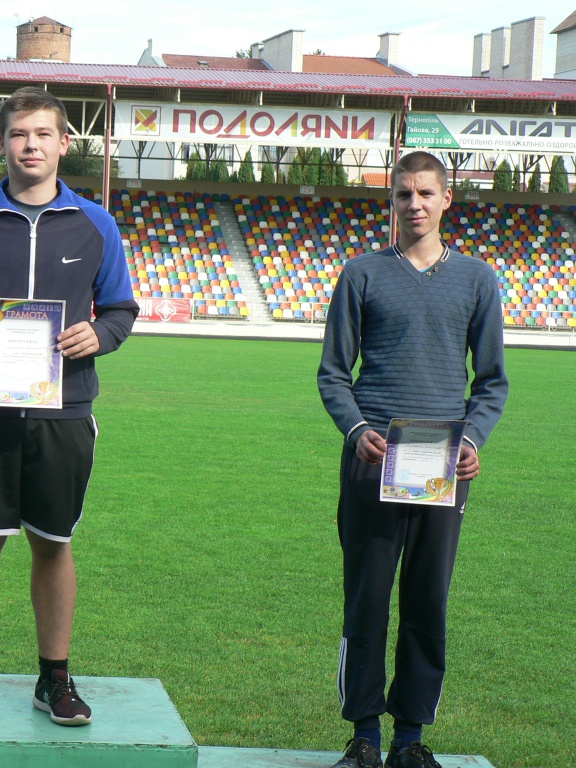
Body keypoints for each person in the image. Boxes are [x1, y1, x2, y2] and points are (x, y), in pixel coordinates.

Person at [0, 87, 138, 727]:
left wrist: (101, 334)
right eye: (18, 134)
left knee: (53, 543)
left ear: (64, 143)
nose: (30, 145)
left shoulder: (96, 223)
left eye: (42, 134)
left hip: (64, 412)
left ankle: (54, 679)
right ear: (3, 143)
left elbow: (121, 309)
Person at [317, 151, 508, 768]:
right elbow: (333, 374)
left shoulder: (477, 279)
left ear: (446, 198)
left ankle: (409, 739)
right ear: (392, 201)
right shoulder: (361, 274)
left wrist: (471, 440)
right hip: (373, 461)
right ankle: (364, 737)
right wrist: (356, 431)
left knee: (427, 600)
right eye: (404, 194)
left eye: (426, 193)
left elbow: (492, 382)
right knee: (367, 599)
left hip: (442, 464)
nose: (415, 204)